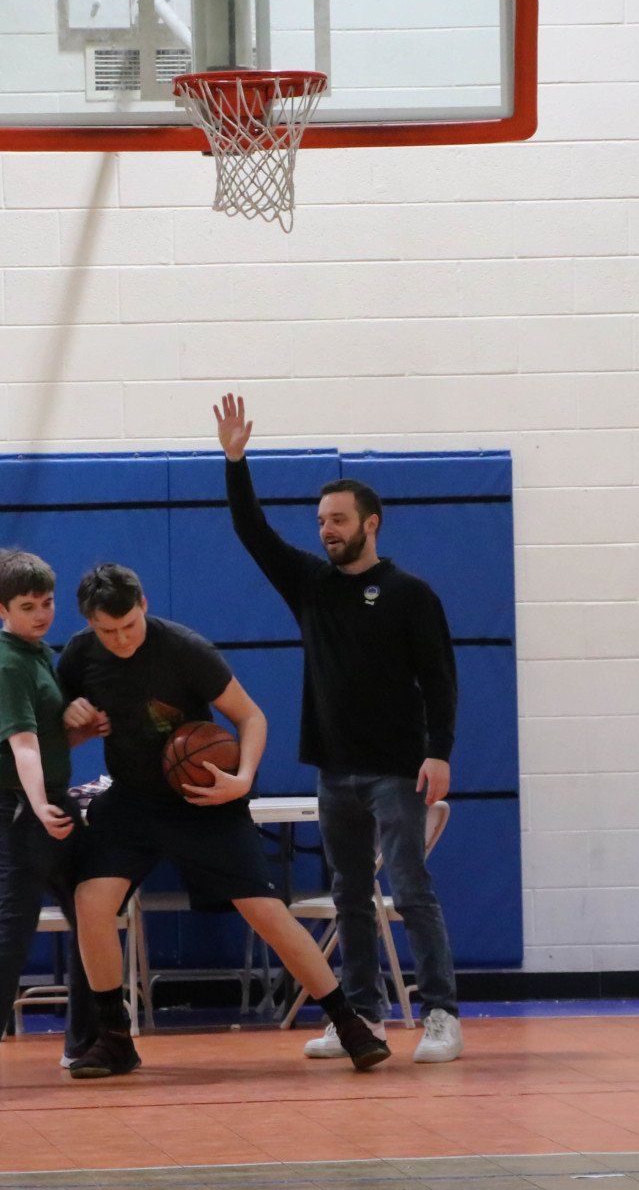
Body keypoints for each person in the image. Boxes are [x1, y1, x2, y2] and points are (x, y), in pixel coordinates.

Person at [56, 563, 391, 1078]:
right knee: (90, 901)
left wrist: (243, 778)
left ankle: (350, 1025)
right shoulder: (79, 654)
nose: (121, 639)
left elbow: (251, 716)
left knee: (266, 911)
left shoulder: (185, 648)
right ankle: (115, 1038)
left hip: (202, 797)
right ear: (90, 624)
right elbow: (62, 734)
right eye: (108, 631)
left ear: (143, 605)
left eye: (129, 625)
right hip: (132, 801)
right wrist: (73, 723)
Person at [214, 394, 464, 1064]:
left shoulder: (412, 595)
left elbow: (441, 680)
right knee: (350, 894)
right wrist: (235, 462)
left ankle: (441, 1011)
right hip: (333, 769)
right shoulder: (310, 585)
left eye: (338, 519)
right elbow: (253, 533)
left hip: (397, 770)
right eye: (321, 520)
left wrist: (439, 755)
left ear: (370, 524)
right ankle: (363, 1015)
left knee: (409, 889)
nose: (326, 529)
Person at [0, 550, 102, 1091]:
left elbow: (48, 739)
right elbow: (23, 747)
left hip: (42, 798)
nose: (41, 614)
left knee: (92, 914)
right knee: (13, 927)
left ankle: (84, 1043)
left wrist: (82, 730)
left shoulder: (37, 653)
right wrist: (40, 807)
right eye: (27, 606)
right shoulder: (7, 662)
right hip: (9, 804)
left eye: (48, 603)